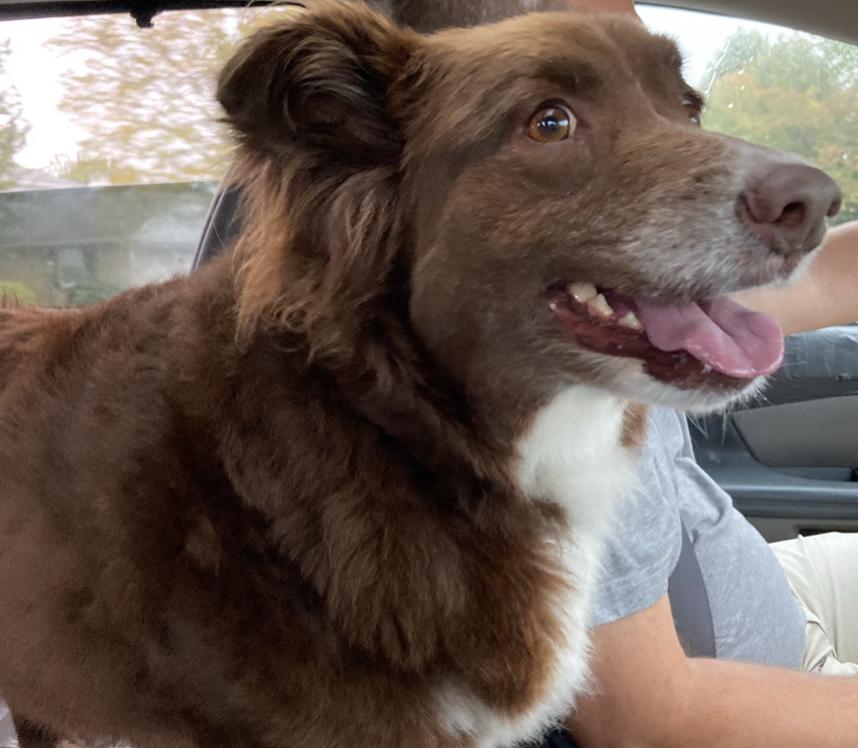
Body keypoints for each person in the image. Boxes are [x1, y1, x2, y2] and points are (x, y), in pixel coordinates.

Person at [381, 1, 858, 747]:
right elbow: (652, 721)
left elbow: (825, 281)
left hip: (781, 591)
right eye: (553, 122)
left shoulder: (631, 305)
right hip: (776, 681)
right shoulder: (527, 424)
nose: (674, 138)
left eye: (679, 106)